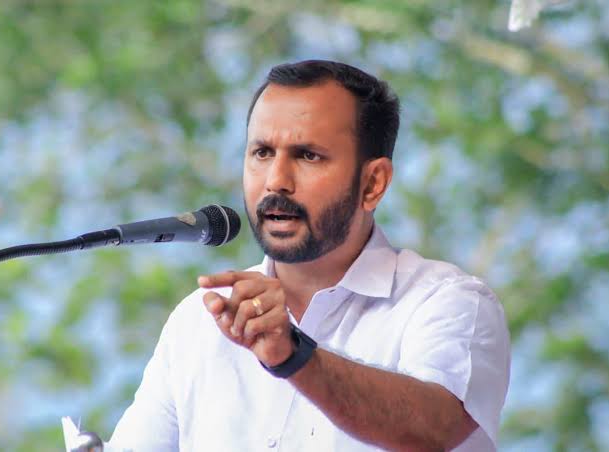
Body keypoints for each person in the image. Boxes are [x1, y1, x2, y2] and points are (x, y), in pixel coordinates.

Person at [109, 60, 510, 451]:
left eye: (308, 156)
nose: (276, 181)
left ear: (373, 183)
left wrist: (294, 356)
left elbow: (433, 431)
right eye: (262, 152)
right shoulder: (199, 321)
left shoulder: (446, 301)